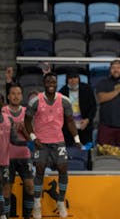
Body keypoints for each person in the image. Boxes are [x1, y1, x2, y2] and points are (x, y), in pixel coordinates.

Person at [24, 72, 81, 219]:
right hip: (41, 142)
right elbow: (27, 121)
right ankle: (37, 205)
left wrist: (76, 139)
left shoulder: (65, 101)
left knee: (63, 168)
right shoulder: (35, 101)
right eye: (48, 81)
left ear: (57, 84)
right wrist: (33, 137)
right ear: (44, 83)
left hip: (58, 141)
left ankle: (60, 201)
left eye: (53, 82)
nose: (51, 83)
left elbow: (69, 121)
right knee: (40, 170)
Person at [2, 83, 34, 219]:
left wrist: (23, 130)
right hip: (7, 157)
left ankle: (27, 216)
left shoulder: (27, 112)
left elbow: (31, 138)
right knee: (6, 190)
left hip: (24, 156)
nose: (16, 96)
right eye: (13, 94)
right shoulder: (3, 111)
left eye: (18, 93)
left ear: (22, 96)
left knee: (30, 187)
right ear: (8, 96)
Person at [0, 107, 27, 219]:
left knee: (4, 190)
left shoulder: (8, 119)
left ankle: (5, 215)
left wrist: (28, 142)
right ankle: (2, 215)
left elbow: (14, 140)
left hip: (4, 161)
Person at [59, 71, 97, 147]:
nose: (73, 80)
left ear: (79, 79)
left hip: (85, 127)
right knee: (70, 151)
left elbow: (93, 107)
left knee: (86, 149)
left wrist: (87, 120)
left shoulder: (87, 89)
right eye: (70, 78)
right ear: (67, 80)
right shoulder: (62, 92)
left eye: (75, 78)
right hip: (69, 129)